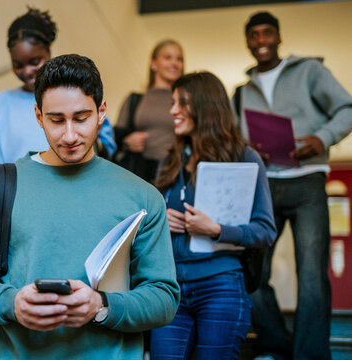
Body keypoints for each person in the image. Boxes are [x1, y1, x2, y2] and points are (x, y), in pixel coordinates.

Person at [0, 54, 180, 359]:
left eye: (81, 118)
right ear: (38, 116)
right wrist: (10, 303)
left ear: (101, 112)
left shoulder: (142, 196)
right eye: (56, 120)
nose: (69, 135)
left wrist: (102, 306)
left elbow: (164, 298)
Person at [233, 11, 352, 360]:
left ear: (279, 37)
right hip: (263, 187)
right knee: (251, 275)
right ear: (248, 42)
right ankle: (276, 346)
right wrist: (249, 149)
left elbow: (347, 108)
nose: (261, 41)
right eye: (254, 35)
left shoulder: (310, 71)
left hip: (307, 183)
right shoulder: (240, 92)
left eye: (267, 33)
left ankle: (311, 355)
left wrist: (322, 137)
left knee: (312, 276)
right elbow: (233, 139)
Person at [151, 71, 276, 359]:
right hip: (171, 291)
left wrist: (217, 229)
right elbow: (148, 228)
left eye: (181, 103)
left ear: (205, 107)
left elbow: (265, 230)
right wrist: (159, 222)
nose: (172, 111)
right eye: (173, 103)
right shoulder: (169, 161)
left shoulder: (244, 157)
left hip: (221, 288)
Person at [0, 7, 116, 182]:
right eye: (18, 64)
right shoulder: (3, 103)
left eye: (35, 62)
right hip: (21, 195)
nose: (27, 71)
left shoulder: (76, 94)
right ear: (38, 115)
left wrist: (93, 139)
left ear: (48, 51)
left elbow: (107, 150)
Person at [113, 39, 184, 182]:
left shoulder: (186, 101)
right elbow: (115, 136)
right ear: (153, 63)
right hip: (138, 174)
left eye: (179, 59)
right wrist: (127, 140)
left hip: (174, 172)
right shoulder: (135, 99)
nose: (174, 63)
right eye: (168, 57)